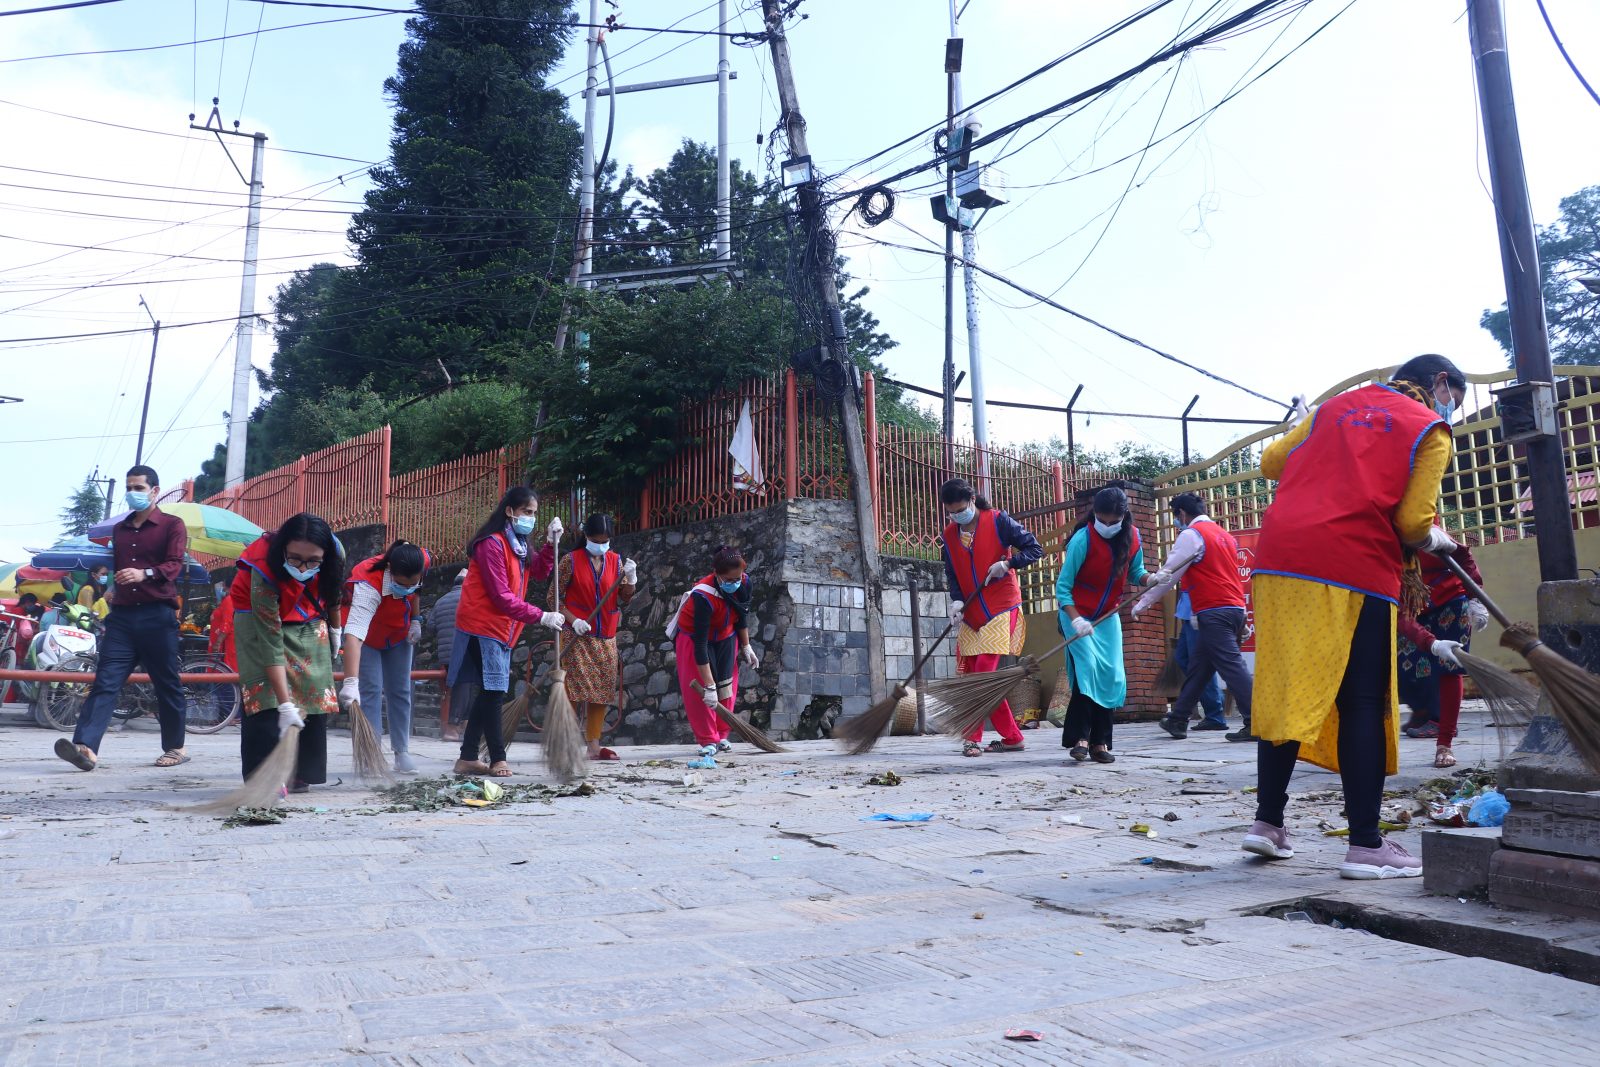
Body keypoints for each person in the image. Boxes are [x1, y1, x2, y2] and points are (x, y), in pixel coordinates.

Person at [1242, 355, 1466, 880]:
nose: (1451, 409)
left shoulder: (1334, 408)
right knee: (1363, 699)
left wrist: (1311, 431)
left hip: (1279, 561)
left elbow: (1272, 463)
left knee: (1287, 688)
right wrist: (1437, 539)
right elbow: (1412, 522)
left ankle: (1267, 824)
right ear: (1439, 383)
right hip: (1353, 565)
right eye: (1454, 399)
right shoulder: (1429, 429)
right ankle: (1366, 845)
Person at [54, 465, 190, 773]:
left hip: (158, 615)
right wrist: (112, 589)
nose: (132, 493)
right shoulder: (120, 530)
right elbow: (118, 566)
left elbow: (174, 565)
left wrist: (145, 573)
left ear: (155, 491)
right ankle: (86, 748)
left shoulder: (172, 525)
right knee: (105, 681)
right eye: (129, 488)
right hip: (123, 618)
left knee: (166, 683)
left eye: (138, 488)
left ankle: (176, 747)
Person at [448, 487, 563, 778]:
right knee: (495, 692)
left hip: (503, 628)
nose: (531, 518)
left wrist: (550, 543)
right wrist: (541, 616)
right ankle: (498, 757)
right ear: (509, 511)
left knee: (491, 691)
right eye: (526, 512)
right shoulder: (492, 544)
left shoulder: (519, 544)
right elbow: (501, 596)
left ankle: (468, 757)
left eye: (534, 513)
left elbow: (539, 571)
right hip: (481, 625)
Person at [230, 514, 347, 791]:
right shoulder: (262, 565)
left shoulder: (335, 553)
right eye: (294, 559)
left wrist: (335, 629)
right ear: (283, 549)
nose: (303, 567)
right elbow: (270, 641)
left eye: (313, 561)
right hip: (256, 618)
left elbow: (333, 593)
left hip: (308, 613)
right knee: (265, 693)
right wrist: (284, 704)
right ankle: (264, 779)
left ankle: (299, 771)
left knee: (313, 684)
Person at [1134, 492, 1254, 741]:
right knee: (1199, 668)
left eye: (1176, 517)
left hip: (1213, 610)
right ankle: (1178, 719)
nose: (1178, 523)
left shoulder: (1192, 535)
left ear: (1181, 513)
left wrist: (1143, 602)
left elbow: (1169, 575)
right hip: (1232, 608)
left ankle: (1257, 721)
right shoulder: (1224, 535)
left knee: (1232, 666)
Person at [939, 477, 1043, 756]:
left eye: (961, 509)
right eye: (952, 512)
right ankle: (1012, 737)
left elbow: (1035, 549)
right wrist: (956, 600)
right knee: (974, 676)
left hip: (1001, 605)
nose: (957, 516)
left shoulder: (998, 521)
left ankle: (971, 738)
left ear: (972, 500)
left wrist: (1007, 563)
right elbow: (951, 572)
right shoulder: (949, 535)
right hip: (971, 611)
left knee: (984, 673)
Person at [1056, 485, 1148, 765]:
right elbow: (1063, 588)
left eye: (1113, 522)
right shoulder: (1082, 540)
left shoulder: (1133, 537)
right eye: (1102, 520)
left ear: (1124, 517)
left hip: (1107, 616)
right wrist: (1076, 619)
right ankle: (1081, 739)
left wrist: (1151, 579)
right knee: (1088, 671)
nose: (1107, 526)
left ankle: (1101, 742)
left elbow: (1136, 572)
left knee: (1112, 675)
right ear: (1094, 514)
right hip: (1076, 613)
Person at [1397, 530, 1488, 769]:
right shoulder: (1381, 550)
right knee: (1402, 668)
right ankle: (1423, 712)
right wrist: (1432, 644)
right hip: (1410, 605)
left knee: (1450, 669)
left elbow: (1463, 556)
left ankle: (1444, 743)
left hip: (1451, 599)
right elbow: (1400, 616)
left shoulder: (1423, 529)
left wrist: (1475, 596)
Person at [339, 540, 431, 772]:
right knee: (370, 690)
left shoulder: (421, 561)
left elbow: (416, 592)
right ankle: (371, 752)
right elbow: (354, 633)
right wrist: (351, 682)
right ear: (390, 570)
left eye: (412, 583)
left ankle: (402, 751)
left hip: (399, 634)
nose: (407, 588)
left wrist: (416, 620)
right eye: (401, 584)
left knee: (401, 690)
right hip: (367, 637)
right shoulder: (368, 581)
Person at [552, 514, 637, 762]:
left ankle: (594, 745)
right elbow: (553, 598)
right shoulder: (570, 561)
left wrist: (631, 580)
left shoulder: (616, 561)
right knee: (573, 689)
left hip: (605, 636)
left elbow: (624, 597)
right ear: (586, 536)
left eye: (605, 541)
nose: (600, 545)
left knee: (601, 690)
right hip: (576, 635)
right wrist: (573, 620)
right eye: (596, 540)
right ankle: (565, 743)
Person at [674, 545, 758, 770]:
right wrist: (709, 686)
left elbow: (742, 616)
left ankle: (722, 734)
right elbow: (700, 644)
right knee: (702, 691)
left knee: (727, 685)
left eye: (738, 578)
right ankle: (707, 739)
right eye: (729, 579)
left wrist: (746, 646)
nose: (735, 582)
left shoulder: (744, 583)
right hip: (695, 638)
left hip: (726, 635)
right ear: (717, 574)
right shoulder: (703, 595)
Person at [427, 567, 468, 742]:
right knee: (464, 687)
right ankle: (453, 728)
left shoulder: (440, 601)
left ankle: (459, 726)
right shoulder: (469, 599)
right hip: (464, 653)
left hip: (445, 656)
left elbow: (430, 627)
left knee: (457, 687)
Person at [1173, 590, 1226, 728]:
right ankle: (1216, 700)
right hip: (1187, 611)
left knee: (1201, 666)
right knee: (1182, 658)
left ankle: (1214, 714)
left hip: (1199, 611)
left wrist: (1144, 601)